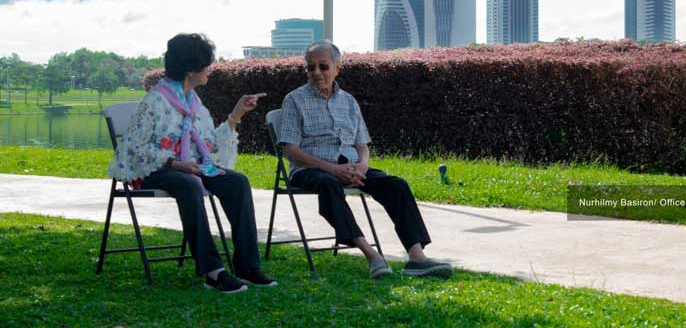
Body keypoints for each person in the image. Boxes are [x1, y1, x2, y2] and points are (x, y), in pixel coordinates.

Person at [108, 33, 275, 293]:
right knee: (189, 184)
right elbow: (134, 149)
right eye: (207, 64)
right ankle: (213, 272)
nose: (210, 69)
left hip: (191, 168)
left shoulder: (193, 102)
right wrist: (176, 164)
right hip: (155, 170)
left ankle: (248, 266)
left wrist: (236, 114)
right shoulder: (155, 100)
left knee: (237, 182)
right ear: (191, 69)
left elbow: (209, 146)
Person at [278, 40, 453, 279]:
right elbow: (291, 150)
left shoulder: (349, 101)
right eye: (310, 67)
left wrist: (362, 165)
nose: (316, 72)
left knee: (396, 185)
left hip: (351, 167)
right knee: (328, 183)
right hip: (310, 169)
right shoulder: (294, 100)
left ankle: (416, 258)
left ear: (337, 68)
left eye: (323, 66)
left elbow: (362, 144)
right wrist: (333, 169)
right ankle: (371, 255)